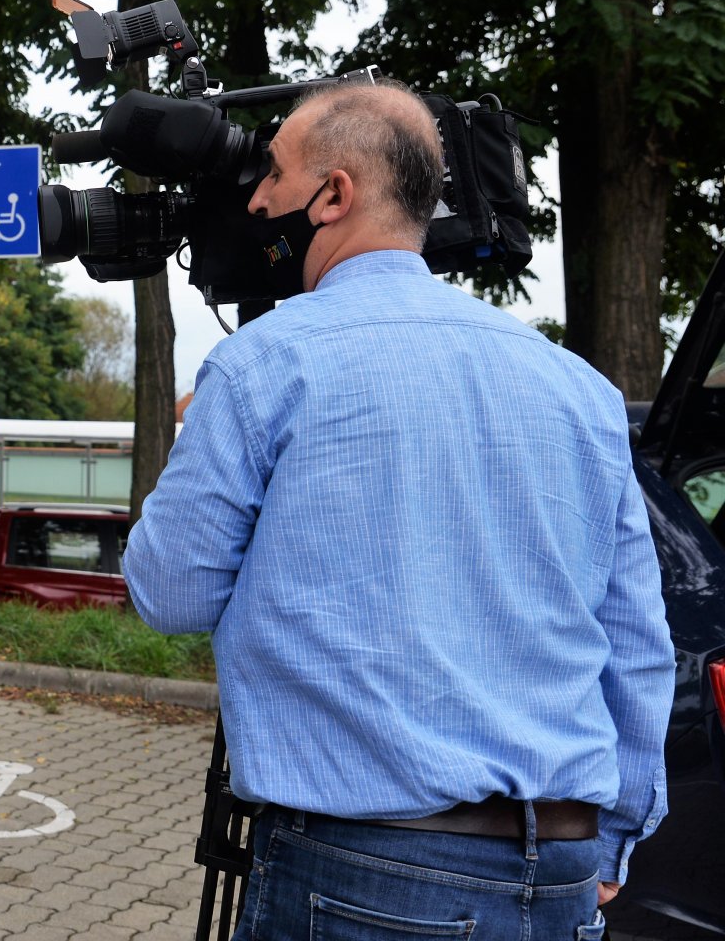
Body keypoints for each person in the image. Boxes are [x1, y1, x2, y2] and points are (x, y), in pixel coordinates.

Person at [123, 82, 675, 937]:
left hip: (362, 876)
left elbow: (171, 594)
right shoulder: (582, 390)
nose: (255, 199)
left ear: (334, 194)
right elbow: (637, 643)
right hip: (562, 876)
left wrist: (196, 441)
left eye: (272, 174)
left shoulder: (262, 367)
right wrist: (616, 842)